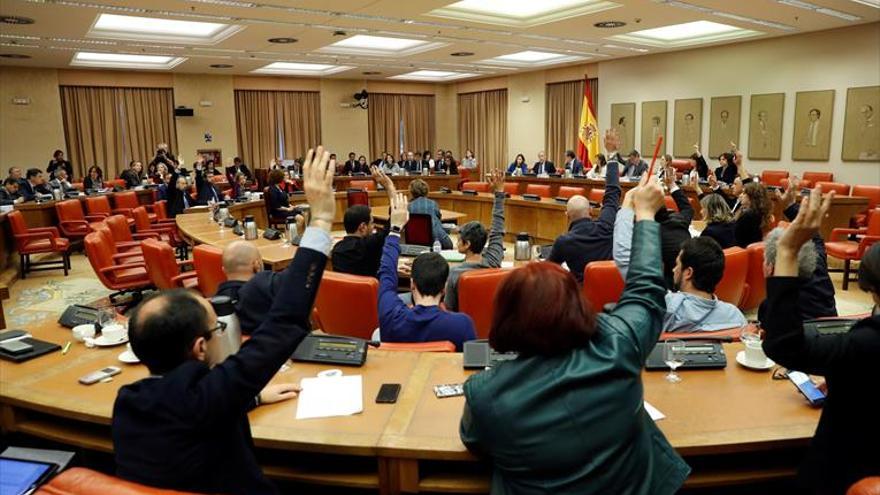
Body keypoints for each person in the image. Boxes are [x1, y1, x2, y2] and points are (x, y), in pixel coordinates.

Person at [112, 146, 335, 495]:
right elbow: (284, 321)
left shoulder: (128, 399)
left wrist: (252, 397)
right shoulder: (211, 397)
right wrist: (320, 219)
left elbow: (193, 409)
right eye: (217, 327)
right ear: (200, 348)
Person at [460, 172, 690, 494]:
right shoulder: (618, 345)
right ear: (578, 305)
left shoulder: (484, 394)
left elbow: (475, 441)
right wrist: (645, 216)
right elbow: (647, 291)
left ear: (506, 321)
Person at [761, 185, 880, 495]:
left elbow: (783, 345)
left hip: (843, 476)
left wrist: (787, 250)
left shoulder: (866, 343)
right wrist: (845, 379)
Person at [377, 193, 477, 350]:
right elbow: (472, 368)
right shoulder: (462, 325)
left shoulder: (390, 314)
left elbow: (386, 273)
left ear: (412, 284)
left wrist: (395, 230)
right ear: (444, 288)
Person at [615, 221, 746, 332]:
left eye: (677, 264)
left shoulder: (664, 307)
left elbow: (625, 257)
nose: (673, 269)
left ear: (688, 272)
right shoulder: (735, 316)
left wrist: (627, 207)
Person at [547, 130, 622, 284]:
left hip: (582, 302)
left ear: (567, 216)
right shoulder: (606, 227)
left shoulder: (564, 242)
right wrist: (612, 155)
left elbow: (547, 272)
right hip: (612, 295)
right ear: (590, 211)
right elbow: (613, 193)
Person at [759, 176, 837, 321]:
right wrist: (790, 207)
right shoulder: (819, 267)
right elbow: (816, 238)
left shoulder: (773, 308)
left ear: (770, 269)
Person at [614, 165, 694, 289]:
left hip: (665, 291)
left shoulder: (646, 237)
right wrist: (672, 185)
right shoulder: (679, 220)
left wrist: (629, 198)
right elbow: (687, 208)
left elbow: (623, 256)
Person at [443, 171, 506, 312]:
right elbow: (497, 229)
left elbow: (449, 310)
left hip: (463, 331)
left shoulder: (454, 274)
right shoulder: (493, 261)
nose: (457, 242)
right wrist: (500, 192)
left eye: (459, 240)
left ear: (467, 245)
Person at [331, 166, 397, 277]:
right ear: (362, 227)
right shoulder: (371, 244)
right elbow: (396, 218)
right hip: (373, 294)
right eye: (371, 223)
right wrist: (389, 186)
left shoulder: (337, 250)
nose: (374, 227)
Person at [408, 178, 453, 249]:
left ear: (411, 192)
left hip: (414, 242)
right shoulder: (433, 204)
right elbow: (439, 219)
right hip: (437, 242)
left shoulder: (408, 206)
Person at [733, 182, 772, 248]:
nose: (740, 195)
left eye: (744, 193)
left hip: (743, 250)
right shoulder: (760, 212)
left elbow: (736, 236)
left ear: (752, 196)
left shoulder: (748, 216)